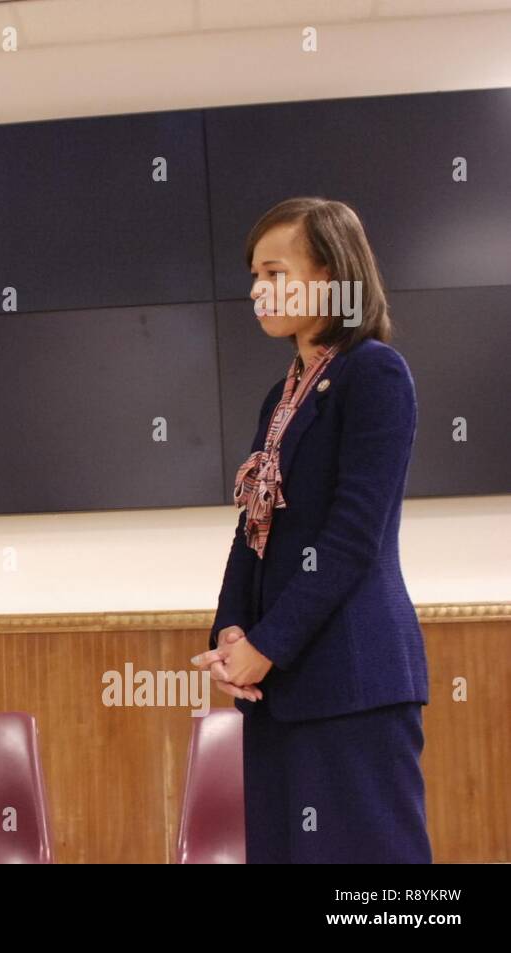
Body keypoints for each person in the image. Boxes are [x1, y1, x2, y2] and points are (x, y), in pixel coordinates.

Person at [193, 197, 431, 863]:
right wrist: (232, 630)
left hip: (353, 682)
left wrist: (267, 643)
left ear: (332, 276)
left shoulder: (375, 373)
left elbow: (354, 534)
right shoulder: (282, 393)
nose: (256, 291)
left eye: (275, 273)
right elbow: (254, 528)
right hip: (279, 692)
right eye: (254, 275)